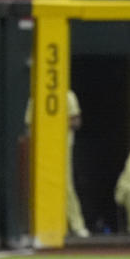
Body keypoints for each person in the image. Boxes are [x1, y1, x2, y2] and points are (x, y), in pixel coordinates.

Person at [24, 89, 90, 238]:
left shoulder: (68, 95)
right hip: (41, 149)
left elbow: (76, 121)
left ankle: (77, 226)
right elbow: (29, 124)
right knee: (38, 186)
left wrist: (52, 122)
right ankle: (39, 226)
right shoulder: (36, 96)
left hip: (62, 147)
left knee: (65, 186)